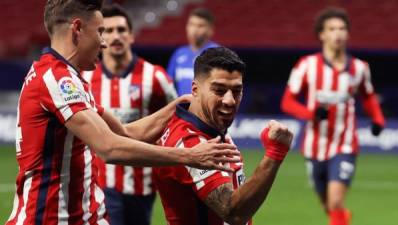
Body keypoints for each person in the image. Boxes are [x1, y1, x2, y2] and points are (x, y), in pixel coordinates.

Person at [6, 1, 240, 224]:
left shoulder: (69, 79)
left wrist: (172, 109)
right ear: (77, 29)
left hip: (84, 216)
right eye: (100, 32)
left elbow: (125, 133)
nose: (104, 42)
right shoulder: (56, 80)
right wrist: (189, 156)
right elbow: (109, 147)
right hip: (50, 218)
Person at [155, 46, 293, 225]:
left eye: (236, 91)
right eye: (219, 90)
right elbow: (233, 212)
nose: (229, 100)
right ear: (195, 90)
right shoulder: (191, 143)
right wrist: (275, 154)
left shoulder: (212, 127)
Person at [280, 7, 385, 225]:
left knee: (336, 201)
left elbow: (368, 96)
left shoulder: (359, 68)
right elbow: (287, 102)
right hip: (314, 145)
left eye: (342, 28)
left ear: (347, 33)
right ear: (322, 34)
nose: (337, 33)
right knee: (328, 204)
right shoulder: (306, 65)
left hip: (345, 143)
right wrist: (310, 114)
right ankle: (342, 219)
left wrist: (378, 119)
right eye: (332, 29)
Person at [82, 4, 177, 225]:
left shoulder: (155, 76)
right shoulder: (84, 78)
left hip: (142, 183)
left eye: (121, 30)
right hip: (100, 182)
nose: (116, 36)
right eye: (108, 30)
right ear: (100, 37)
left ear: (131, 36)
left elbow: (176, 117)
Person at [167, 7, 218, 96]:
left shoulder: (217, 53)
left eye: (200, 26)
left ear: (210, 30)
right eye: (191, 24)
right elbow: (168, 85)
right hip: (182, 108)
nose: (194, 29)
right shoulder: (179, 54)